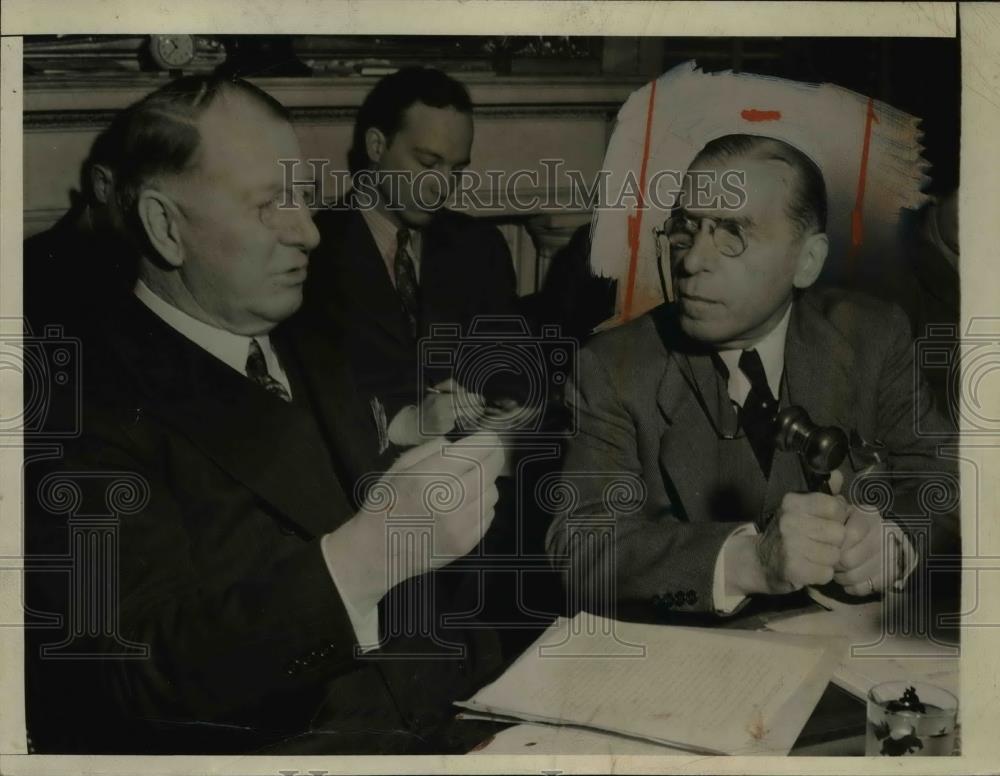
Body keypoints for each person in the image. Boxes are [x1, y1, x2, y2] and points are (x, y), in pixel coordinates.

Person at [24, 74, 505, 755]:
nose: (308, 231)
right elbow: (130, 676)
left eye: (304, 198)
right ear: (166, 226)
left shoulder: (314, 332)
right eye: (268, 205)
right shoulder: (70, 408)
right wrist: (366, 556)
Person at [546, 134, 959, 620]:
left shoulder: (873, 336)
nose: (692, 261)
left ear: (806, 261)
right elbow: (579, 550)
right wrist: (747, 563)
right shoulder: (611, 366)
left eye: (733, 233)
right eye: (688, 228)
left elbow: (947, 483)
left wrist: (895, 542)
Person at [303, 67, 528, 450]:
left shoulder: (481, 247)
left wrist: (506, 404)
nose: (441, 186)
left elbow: (508, 368)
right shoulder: (311, 252)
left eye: (455, 170)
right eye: (427, 164)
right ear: (376, 146)